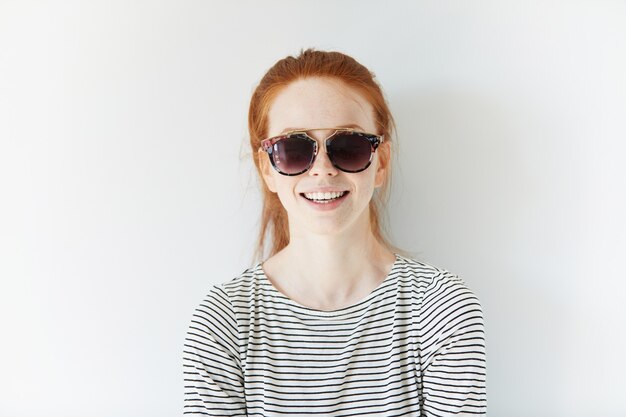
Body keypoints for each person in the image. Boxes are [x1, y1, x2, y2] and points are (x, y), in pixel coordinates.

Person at [183, 49, 487, 416]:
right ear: (267, 167)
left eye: (348, 146)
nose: (323, 170)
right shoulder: (223, 322)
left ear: (381, 163)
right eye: (294, 149)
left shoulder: (440, 311)